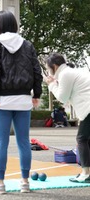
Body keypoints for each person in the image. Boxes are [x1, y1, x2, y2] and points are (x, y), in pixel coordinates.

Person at [0, 10, 43, 194]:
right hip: (23, 100)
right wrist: (37, 94)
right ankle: (25, 183)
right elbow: (37, 70)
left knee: (1, 143)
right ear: (14, 25)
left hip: (2, 100)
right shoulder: (27, 45)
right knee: (24, 142)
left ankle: (0, 184)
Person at [45, 52, 90, 183]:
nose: (49, 72)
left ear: (54, 66)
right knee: (87, 139)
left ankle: (86, 173)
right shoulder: (71, 72)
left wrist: (51, 85)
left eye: (48, 68)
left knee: (81, 139)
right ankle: (87, 172)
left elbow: (62, 97)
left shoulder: (65, 74)